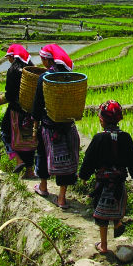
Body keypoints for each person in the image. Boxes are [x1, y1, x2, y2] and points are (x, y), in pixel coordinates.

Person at [79, 100, 133, 254]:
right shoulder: (125, 138)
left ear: (101, 120)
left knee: (101, 215)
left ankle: (103, 245)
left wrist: (84, 175)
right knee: (117, 204)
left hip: (102, 182)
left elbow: (89, 159)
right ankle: (117, 223)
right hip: (119, 181)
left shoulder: (99, 138)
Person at [31, 43, 79, 209]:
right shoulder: (70, 77)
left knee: (43, 154)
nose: (42, 61)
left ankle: (43, 187)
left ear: (47, 60)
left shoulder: (45, 78)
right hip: (67, 124)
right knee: (66, 156)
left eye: (43, 58)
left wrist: (35, 124)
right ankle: (62, 198)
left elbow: (37, 104)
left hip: (49, 125)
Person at [0, 44, 36, 177]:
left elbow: (9, 95)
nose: (8, 59)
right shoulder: (31, 69)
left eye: (9, 56)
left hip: (16, 110)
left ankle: (17, 159)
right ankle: (30, 171)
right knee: (28, 139)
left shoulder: (13, 71)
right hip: (30, 112)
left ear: (13, 57)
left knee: (5, 132)